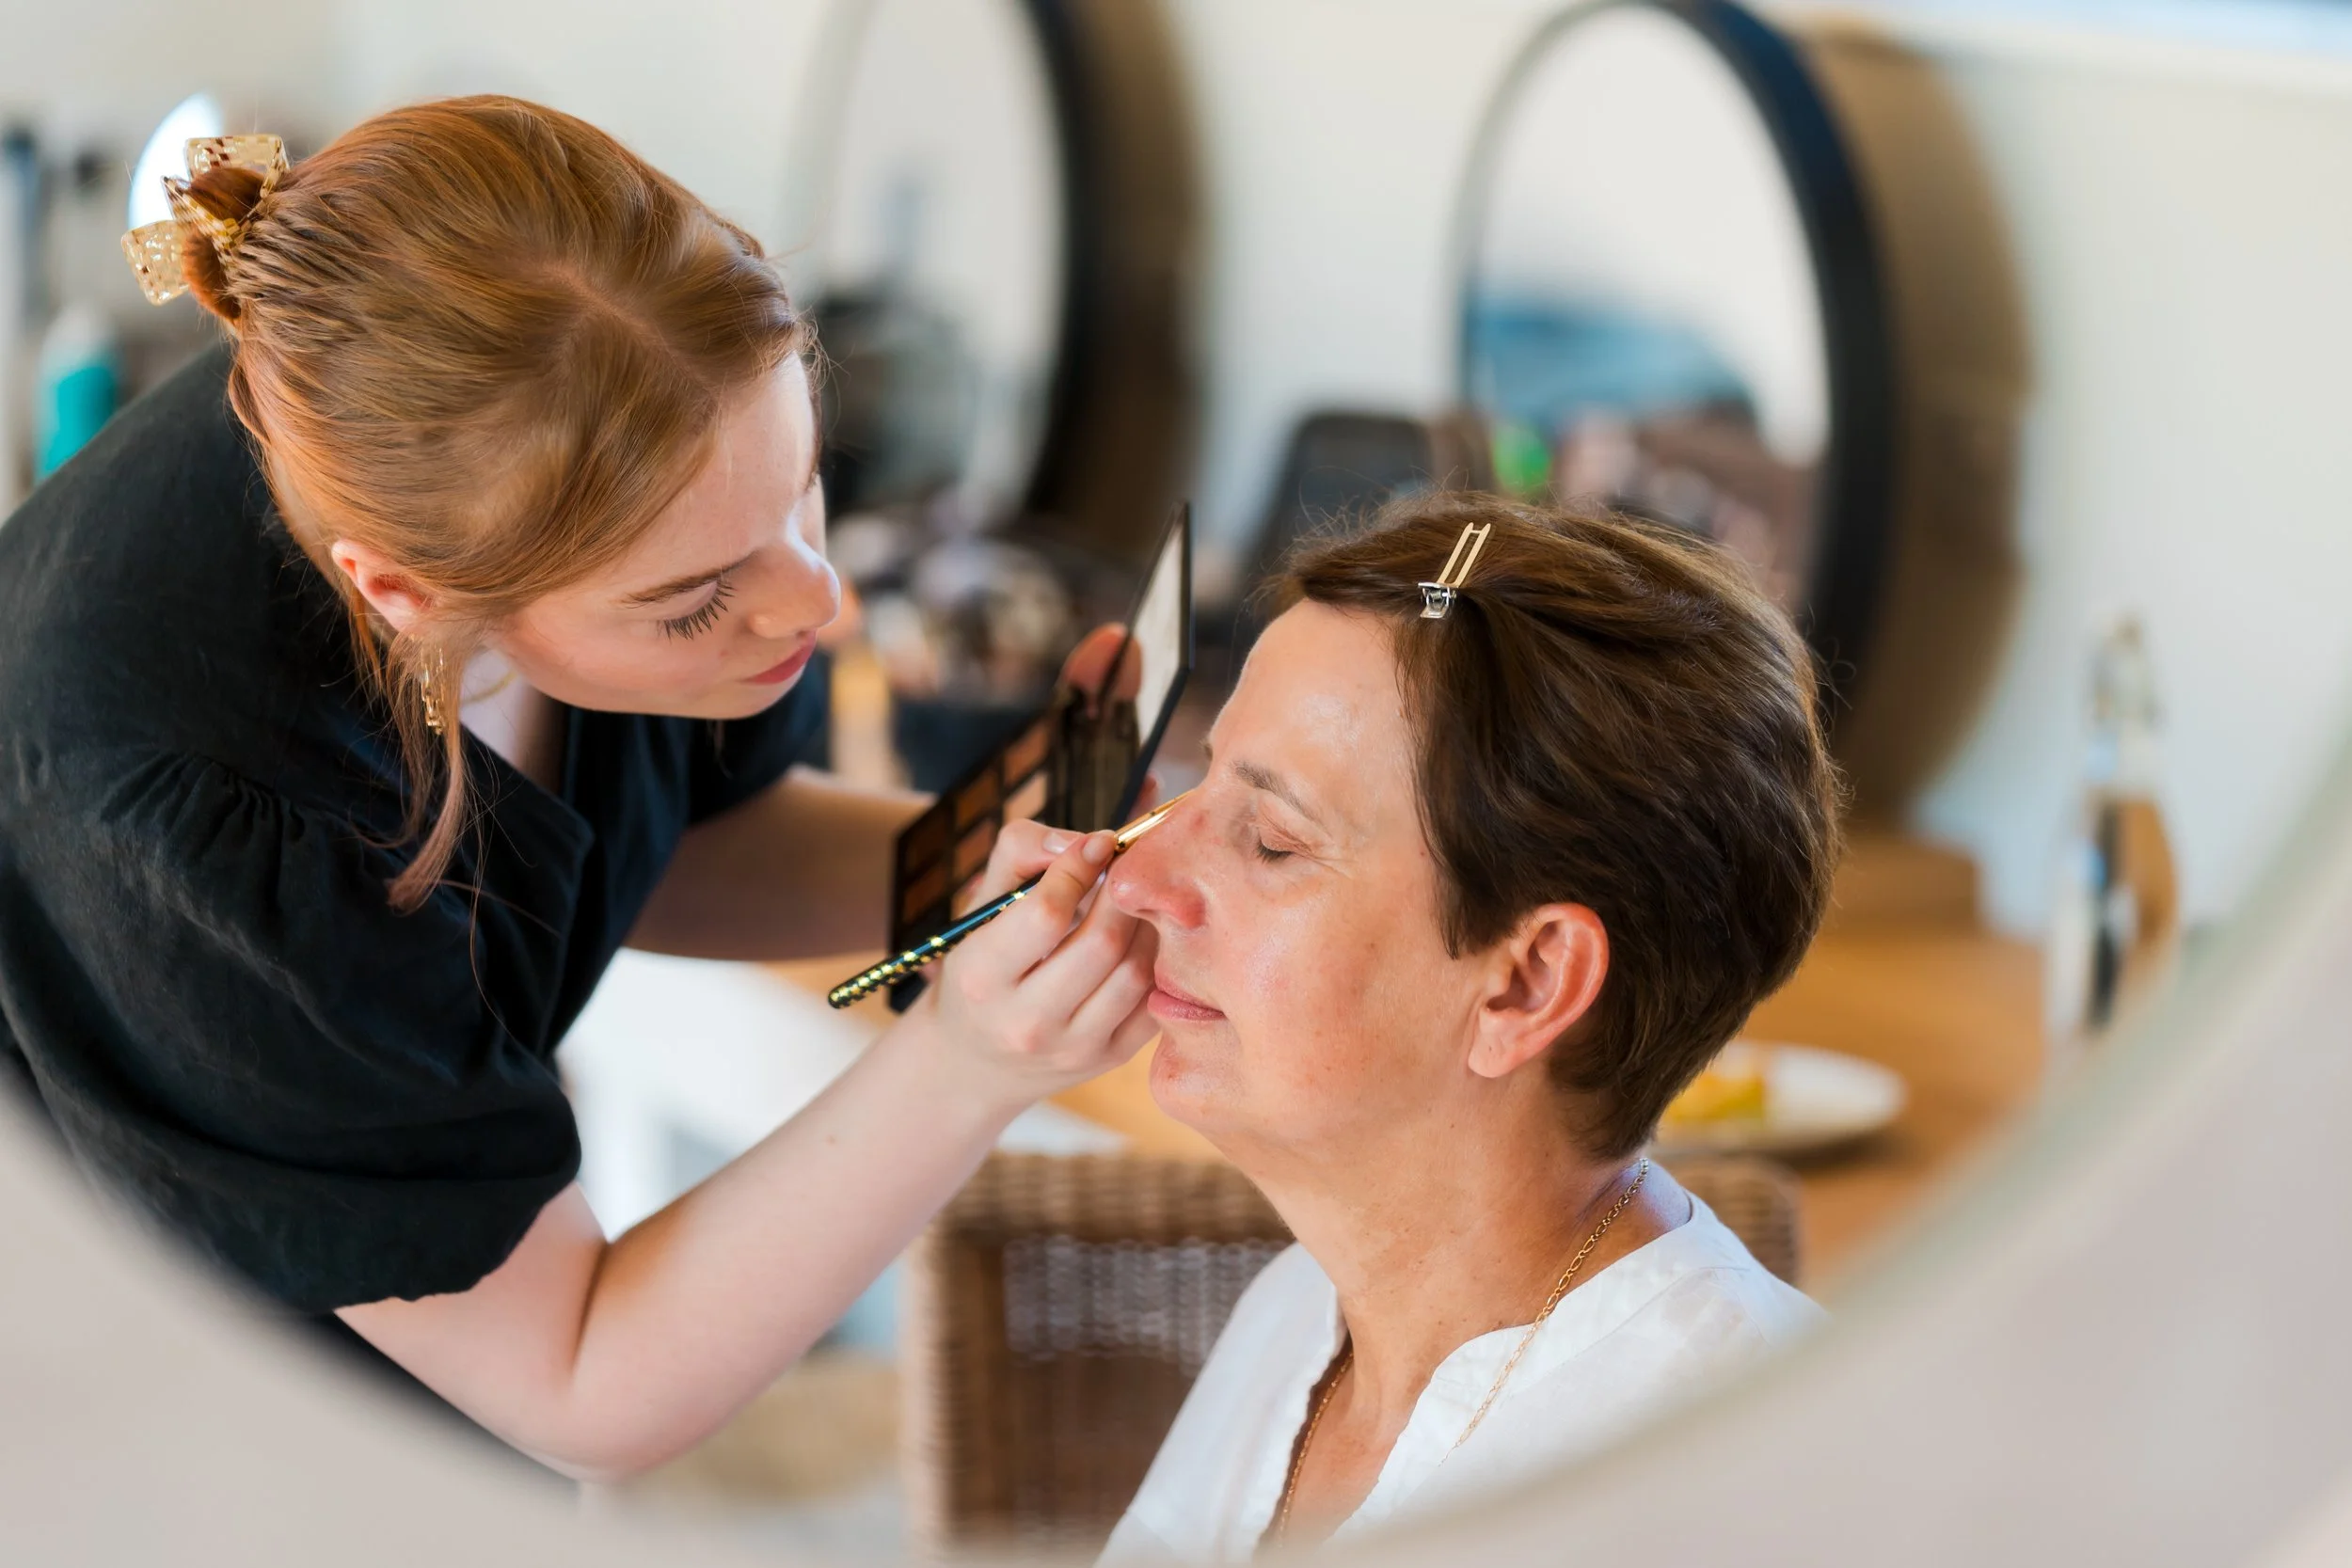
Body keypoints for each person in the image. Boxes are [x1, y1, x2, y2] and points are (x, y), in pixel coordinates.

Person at [0, 98, 1159, 1479]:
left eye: (801, 490)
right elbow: (581, 1373)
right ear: (406, 591)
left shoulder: (507, 388)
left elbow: (661, 845)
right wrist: (969, 1061)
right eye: (693, 601)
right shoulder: (198, 808)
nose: (822, 603)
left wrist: (974, 870)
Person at [1098, 493, 1842, 1560]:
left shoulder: (1738, 1483)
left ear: (1526, 985)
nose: (1136, 872)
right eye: (1199, 783)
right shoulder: (1298, 1314)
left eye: (1267, 837)